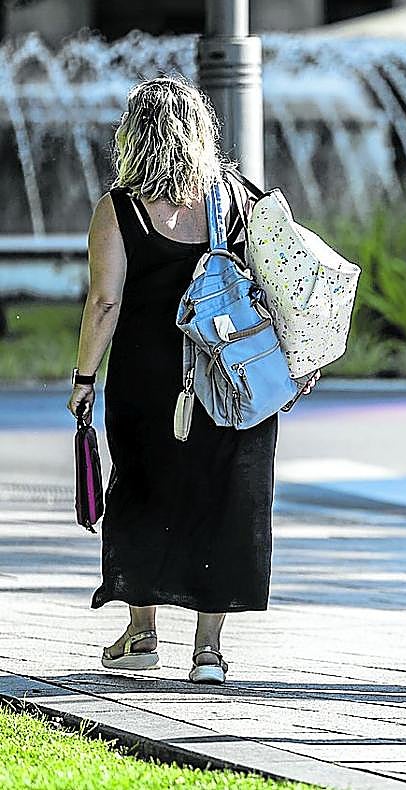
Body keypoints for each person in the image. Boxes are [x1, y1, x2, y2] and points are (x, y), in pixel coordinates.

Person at [68, 77, 300, 685]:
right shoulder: (239, 198)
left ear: (133, 134)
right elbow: (284, 278)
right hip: (234, 376)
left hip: (149, 378)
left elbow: (104, 301)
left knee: (141, 491)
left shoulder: (120, 208)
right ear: (200, 132)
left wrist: (84, 375)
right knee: (226, 498)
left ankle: (142, 632)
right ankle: (208, 653)